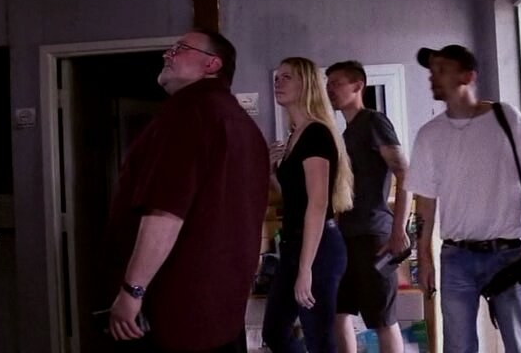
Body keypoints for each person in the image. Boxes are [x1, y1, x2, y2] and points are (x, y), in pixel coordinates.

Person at [102, 29, 270, 352]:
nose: (167, 54)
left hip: (177, 309)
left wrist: (132, 290)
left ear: (212, 64)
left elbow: (165, 212)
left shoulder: (187, 112)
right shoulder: (244, 125)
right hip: (222, 308)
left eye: (179, 48)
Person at [405, 44, 521, 353]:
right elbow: (425, 202)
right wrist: (424, 257)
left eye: (442, 69)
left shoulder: (506, 119)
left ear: (468, 76)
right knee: (458, 347)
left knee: (520, 345)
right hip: (456, 258)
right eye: (431, 71)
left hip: (510, 254)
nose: (433, 77)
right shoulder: (429, 135)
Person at [262, 57, 353, 353]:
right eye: (277, 77)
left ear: (307, 85)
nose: (278, 82)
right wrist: (272, 173)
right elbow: (295, 198)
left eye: (287, 77)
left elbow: (317, 203)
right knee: (275, 332)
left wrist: (305, 268)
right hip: (294, 245)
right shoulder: (294, 135)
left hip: (318, 248)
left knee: (319, 340)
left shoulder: (316, 133)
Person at [325, 61, 410, 353]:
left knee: (382, 319)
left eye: (336, 83)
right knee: (339, 313)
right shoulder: (346, 134)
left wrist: (399, 230)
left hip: (374, 234)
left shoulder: (374, 121)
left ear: (358, 85)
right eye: (328, 84)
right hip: (346, 236)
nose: (330, 89)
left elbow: (405, 173)